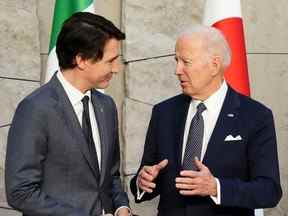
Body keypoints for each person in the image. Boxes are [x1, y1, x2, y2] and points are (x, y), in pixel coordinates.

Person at [130, 25, 282, 216]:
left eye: (186, 61)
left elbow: (269, 191)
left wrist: (216, 188)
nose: (177, 70)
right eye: (176, 61)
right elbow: (147, 178)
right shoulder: (164, 112)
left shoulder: (255, 116)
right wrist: (142, 182)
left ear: (214, 65)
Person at [6, 12, 130, 216]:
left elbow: (110, 176)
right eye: (111, 60)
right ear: (81, 60)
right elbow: (20, 192)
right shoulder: (36, 109)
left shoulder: (106, 106)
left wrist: (121, 206)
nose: (116, 68)